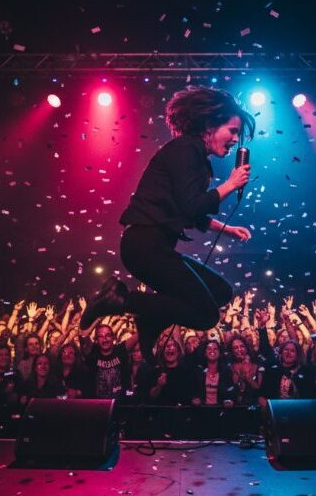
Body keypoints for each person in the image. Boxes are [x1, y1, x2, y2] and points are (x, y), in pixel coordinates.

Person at [80, 86, 256, 363]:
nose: (235, 139)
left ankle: (150, 317)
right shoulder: (185, 148)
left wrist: (227, 229)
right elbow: (191, 205)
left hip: (157, 246)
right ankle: (122, 301)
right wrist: (231, 185)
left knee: (221, 292)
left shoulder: (199, 162)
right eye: (232, 131)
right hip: (144, 245)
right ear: (210, 125)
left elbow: (192, 213)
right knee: (206, 315)